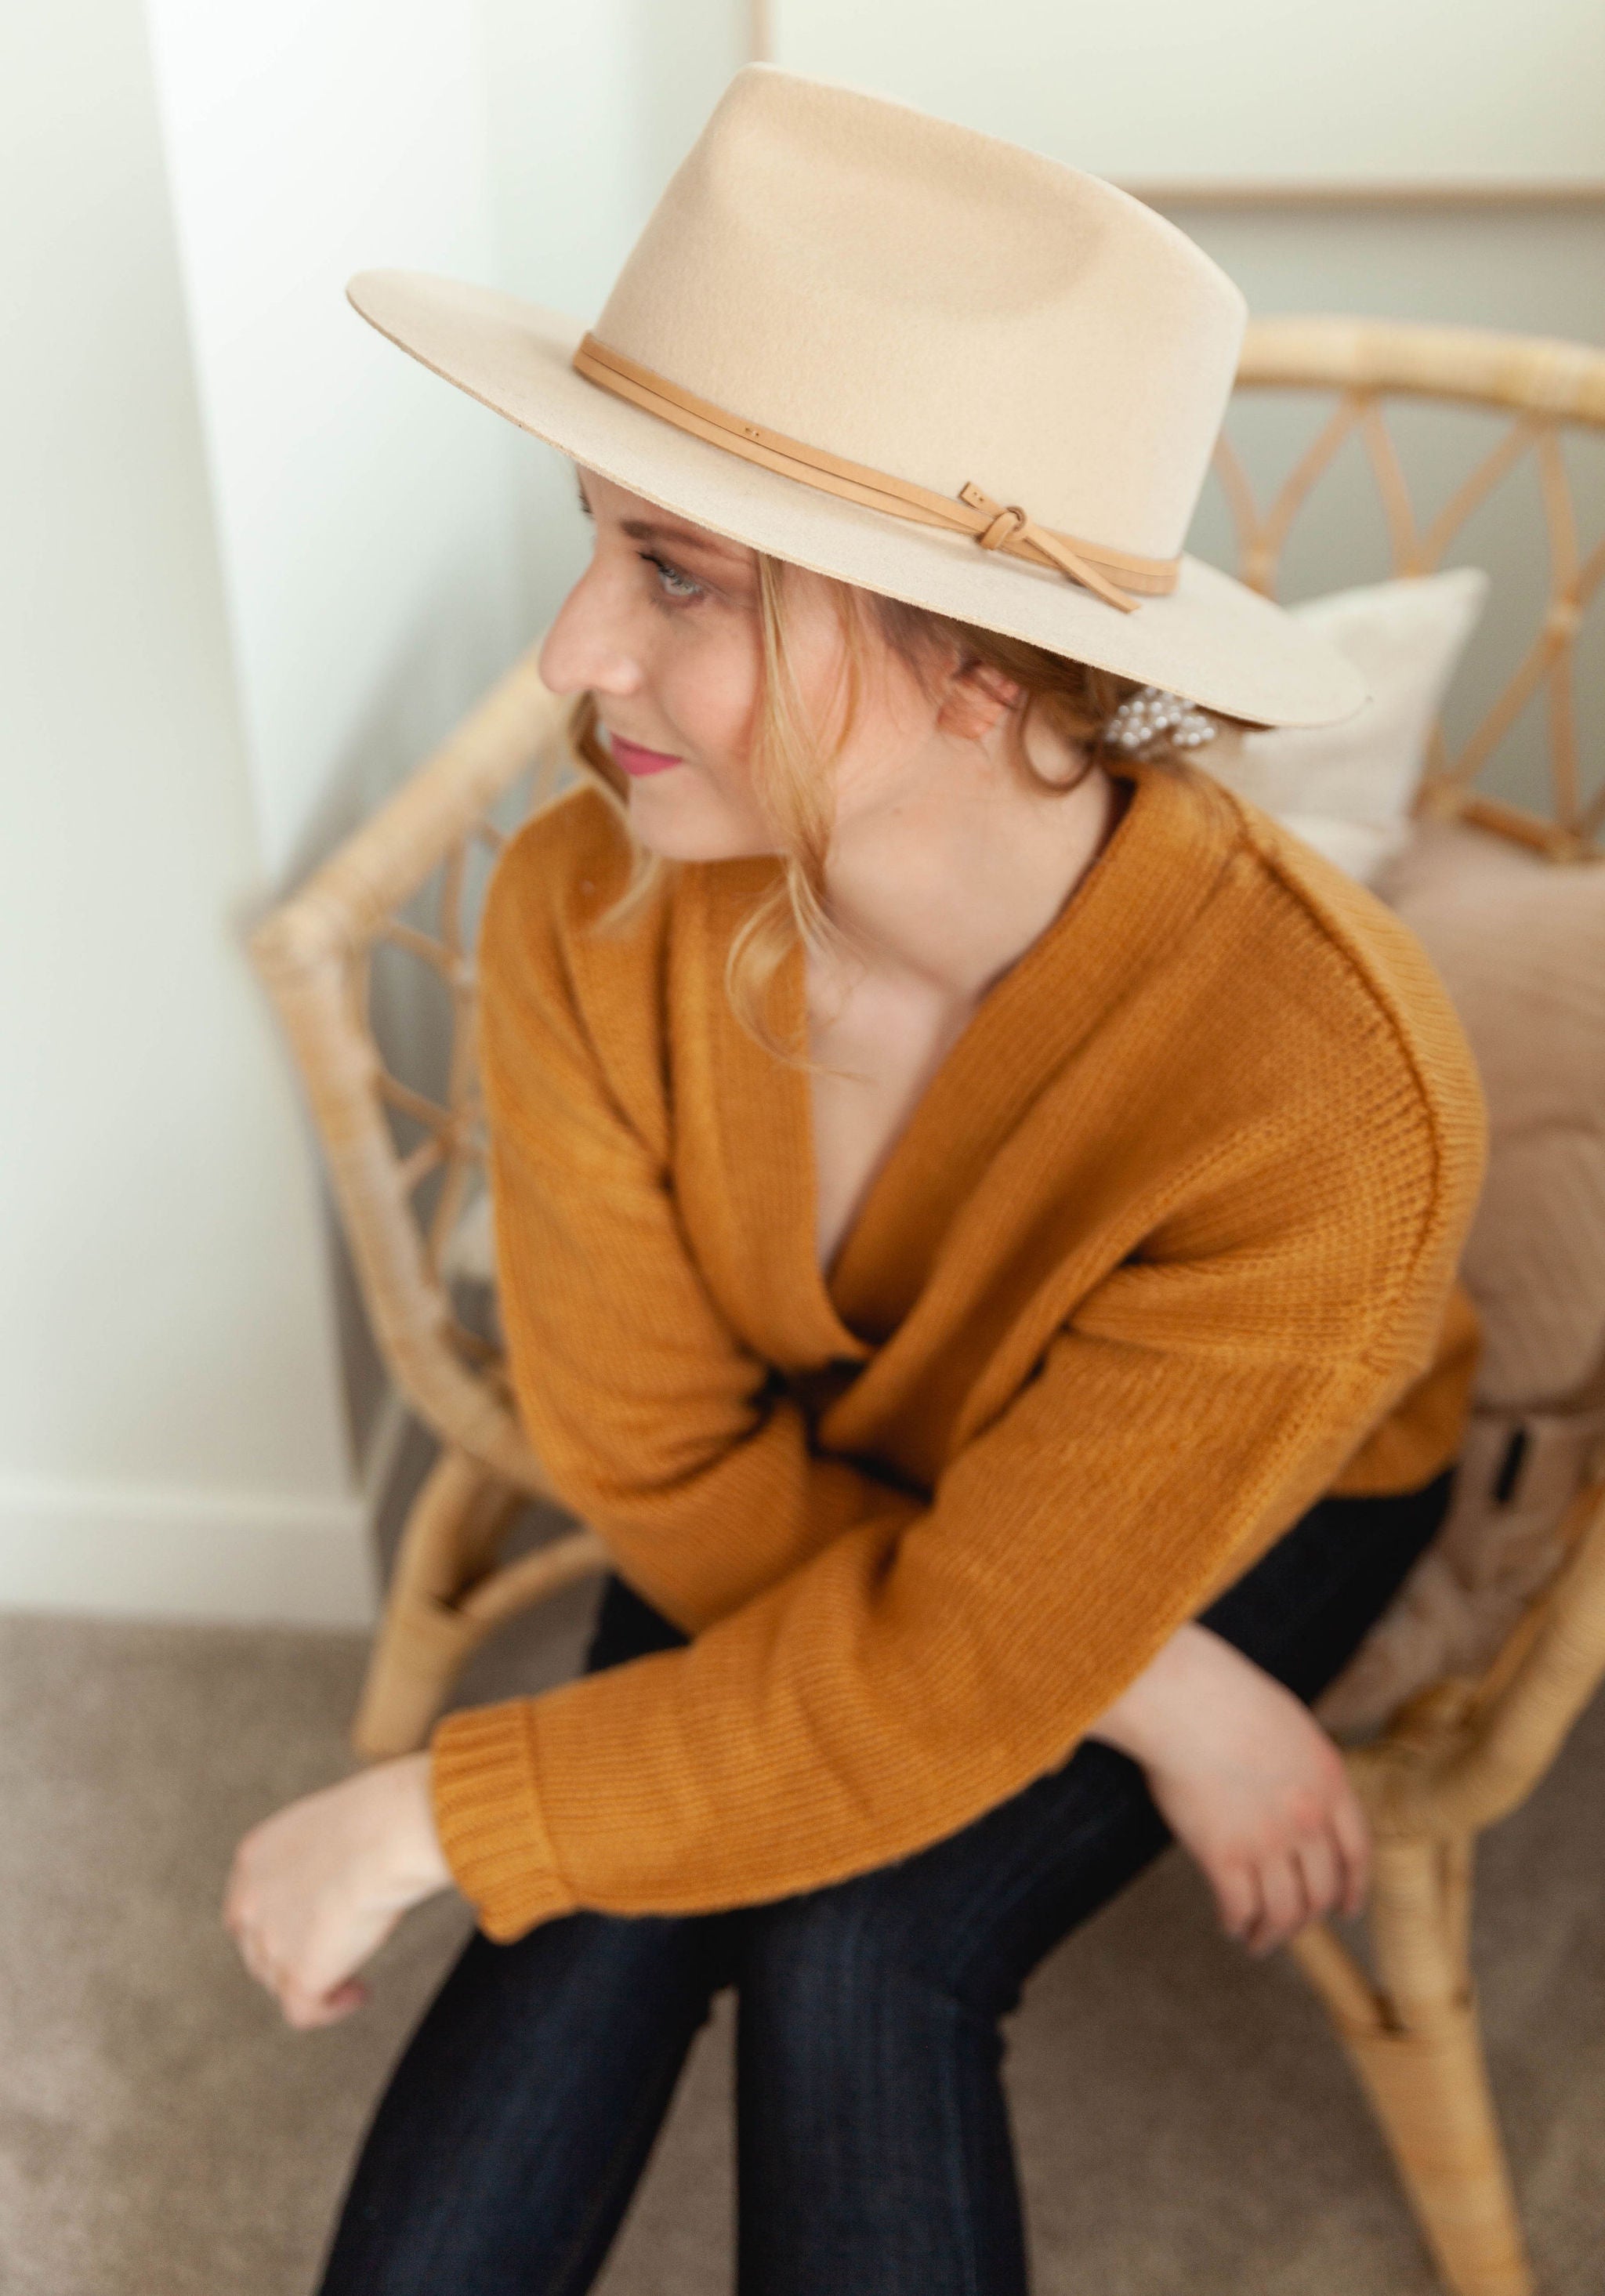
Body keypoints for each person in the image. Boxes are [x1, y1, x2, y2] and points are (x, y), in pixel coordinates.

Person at [224, 66, 1487, 2295]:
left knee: (856, 1938)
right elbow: (655, 1456)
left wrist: (432, 1809)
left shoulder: (1324, 1103)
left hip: (1247, 1495)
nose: (570, 655)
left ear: (984, 663)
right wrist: (1157, 1692)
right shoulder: (587, 907)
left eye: (676, 574)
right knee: (646, 1851)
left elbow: (970, 1657)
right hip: (820, 1450)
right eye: (599, 538)